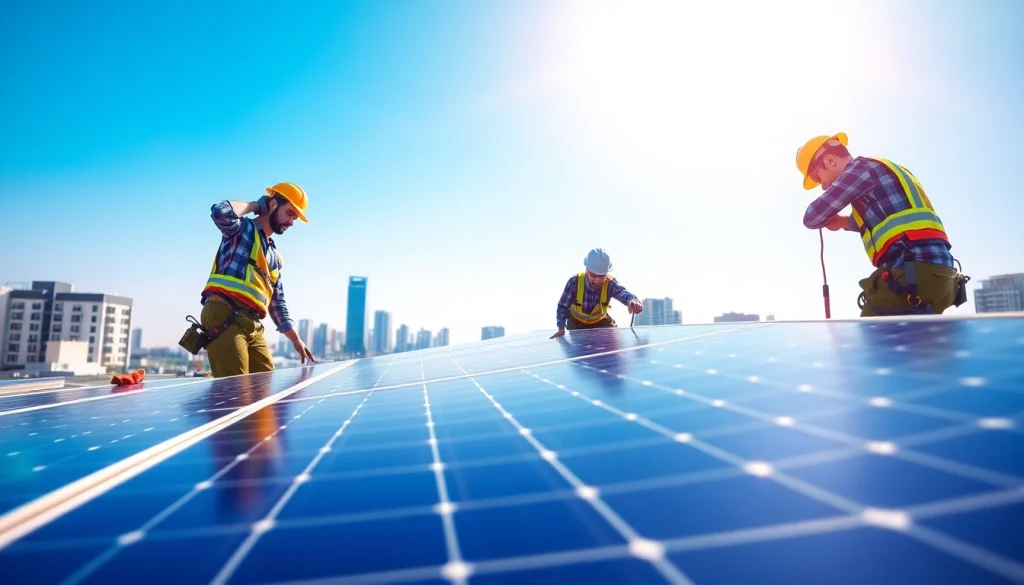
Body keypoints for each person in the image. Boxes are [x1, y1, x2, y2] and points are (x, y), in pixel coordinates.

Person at [796, 132, 964, 316]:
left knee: (872, 337)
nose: (824, 186)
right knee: (917, 342)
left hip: (913, 272)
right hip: (943, 275)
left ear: (829, 160)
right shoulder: (882, 168)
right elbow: (884, 217)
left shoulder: (860, 169)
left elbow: (812, 216)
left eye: (819, 177)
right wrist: (842, 222)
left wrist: (827, 216)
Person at [198, 182, 315, 377]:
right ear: (272, 205)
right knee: (236, 391)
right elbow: (220, 212)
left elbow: (278, 305)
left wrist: (296, 340)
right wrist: (254, 205)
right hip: (224, 314)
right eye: (289, 213)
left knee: (263, 387)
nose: (291, 222)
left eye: (295, 217)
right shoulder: (242, 230)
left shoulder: (275, 257)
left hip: (253, 325)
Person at [551, 248, 643, 339]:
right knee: (579, 350)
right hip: (576, 323)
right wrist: (561, 328)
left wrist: (632, 301)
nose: (598, 280)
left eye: (602, 276)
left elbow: (623, 293)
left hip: (600, 321)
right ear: (587, 270)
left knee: (613, 343)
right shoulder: (574, 282)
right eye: (594, 275)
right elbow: (563, 306)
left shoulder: (610, 283)